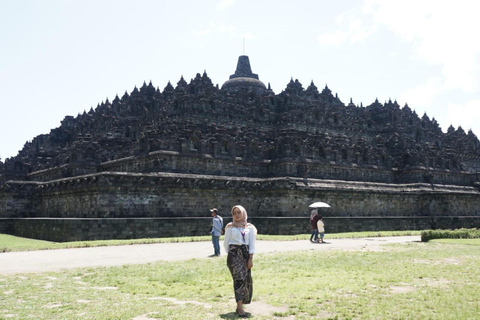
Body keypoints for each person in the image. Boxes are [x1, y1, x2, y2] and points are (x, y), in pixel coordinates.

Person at [223, 205, 257, 318]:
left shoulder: (250, 228)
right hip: (234, 255)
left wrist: (250, 258)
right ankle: (240, 307)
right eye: (234, 213)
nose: (237, 215)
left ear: (243, 213)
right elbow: (226, 244)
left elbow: (252, 244)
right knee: (239, 279)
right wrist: (234, 254)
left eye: (239, 212)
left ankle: (239, 305)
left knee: (246, 279)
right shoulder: (230, 227)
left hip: (246, 255)